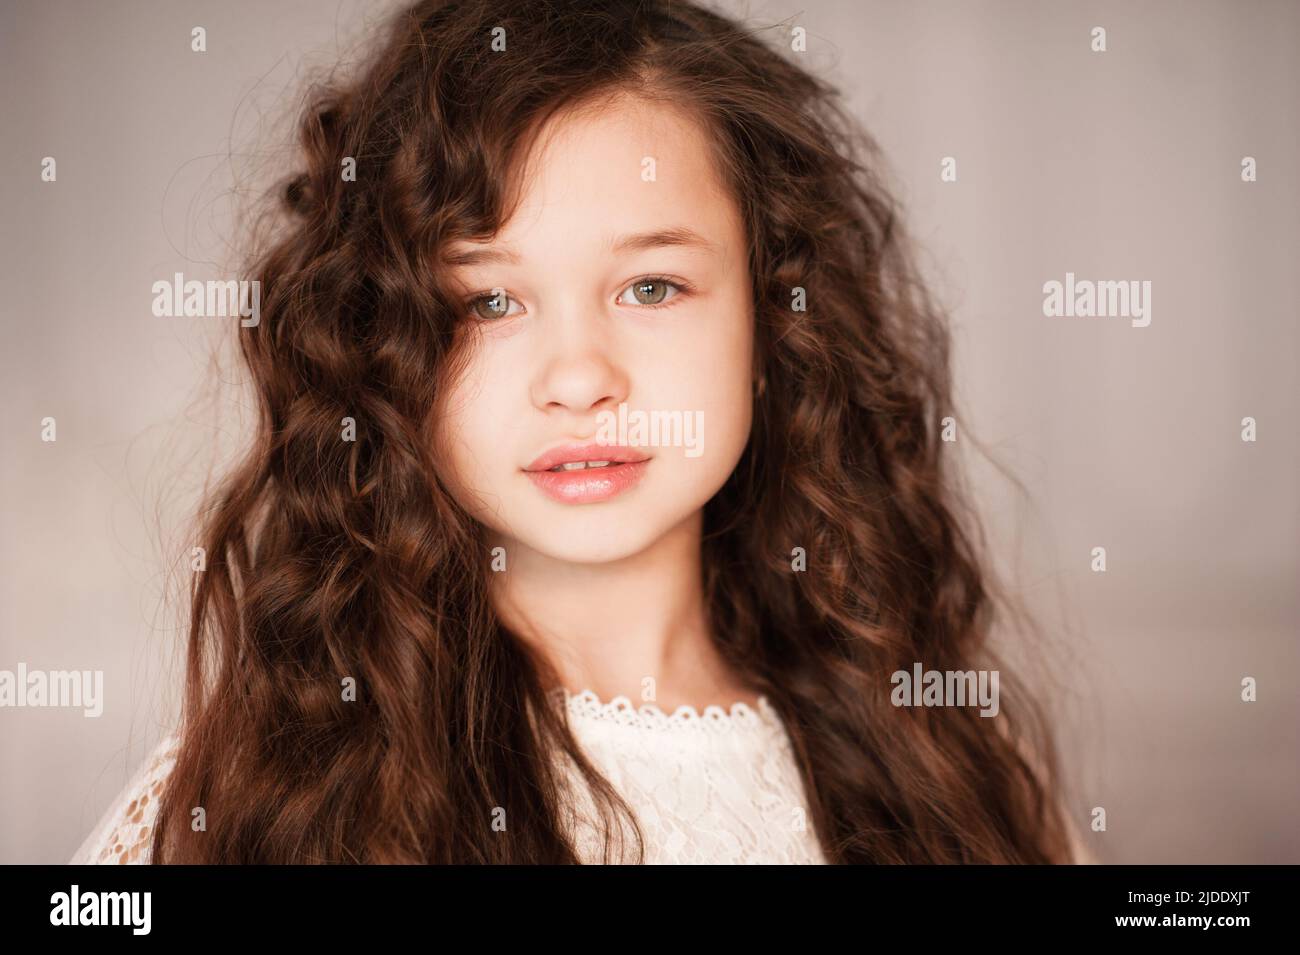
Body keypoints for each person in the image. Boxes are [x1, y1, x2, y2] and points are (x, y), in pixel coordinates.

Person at [71, 0, 1089, 865]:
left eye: (651, 285)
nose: (578, 379)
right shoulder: (243, 802)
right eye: (487, 302)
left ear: (774, 316)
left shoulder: (950, 760)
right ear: (387, 347)